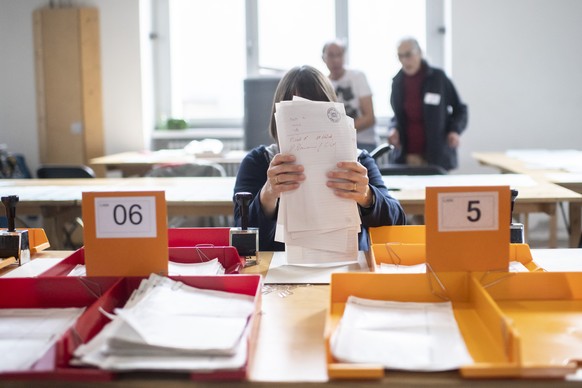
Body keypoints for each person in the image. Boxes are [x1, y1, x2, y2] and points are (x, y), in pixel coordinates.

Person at [233, 65, 406, 252]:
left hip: (345, 268)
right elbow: (241, 238)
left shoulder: (357, 161)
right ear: (279, 118)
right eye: (297, 115)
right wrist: (267, 196)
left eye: (318, 114)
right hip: (280, 270)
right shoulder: (259, 161)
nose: (309, 126)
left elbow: (397, 223)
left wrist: (367, 197)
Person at [388, 37, 468, 171]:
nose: (404, 60)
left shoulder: (438, 78)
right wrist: (393, 129)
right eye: (400, 56)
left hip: (437, 156)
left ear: (419, 52)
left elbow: (461, 109)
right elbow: (398, 115)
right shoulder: (398, 82)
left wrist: (455, 131)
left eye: (408, 55)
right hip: (408, 156)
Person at [322, 39, 379, 152]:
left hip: (363, 143)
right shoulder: (323, 83)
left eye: (339, 55)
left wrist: (340, 130)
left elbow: (369, 118)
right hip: (336, 144)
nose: (336, 60)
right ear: (323, 58)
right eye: (331, 55)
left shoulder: (358, 77)